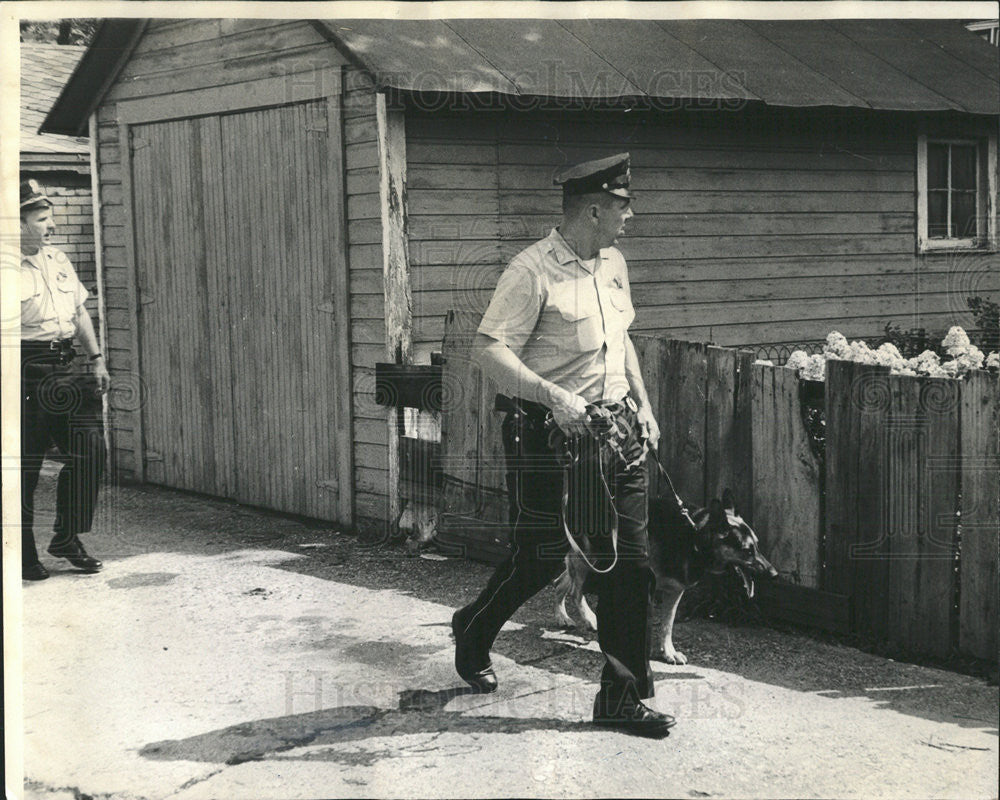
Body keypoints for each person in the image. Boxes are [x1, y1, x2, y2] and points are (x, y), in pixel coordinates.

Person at [451, 154, 675, 738]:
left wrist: (644, 406)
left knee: (630, 563)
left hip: (615, 431)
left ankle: (620, 698)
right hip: (547, 437)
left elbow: (619, 341)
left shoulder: (615, 264)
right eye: (624, 206)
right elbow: (489, 352)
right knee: (542, 556)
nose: (631, 216)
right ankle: (474, 628)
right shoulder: (531, 271)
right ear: (594, 209)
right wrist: (553, 396)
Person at [20, 179, 109, 581]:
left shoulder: (57, 258)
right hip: (22, 369)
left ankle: (66, 537)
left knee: (90, 451)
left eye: (51, 215)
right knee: (26, 465)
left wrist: (96, 359)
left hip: (68, 366)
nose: (52, 225)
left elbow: (79, 312)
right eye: (42, 218)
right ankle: (20, 552)